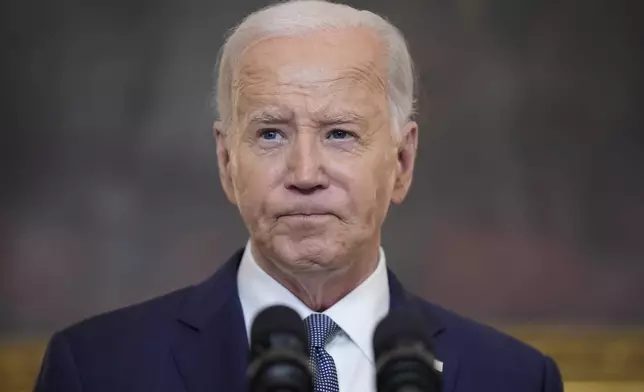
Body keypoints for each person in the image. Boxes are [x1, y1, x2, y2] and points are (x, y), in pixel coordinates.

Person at [34, 1, 563, 391]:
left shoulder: (513, 378)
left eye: (340, 133)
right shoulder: (97, 369)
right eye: (270, 133)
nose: (305, 172)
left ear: (401, 162)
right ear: (226, 161)